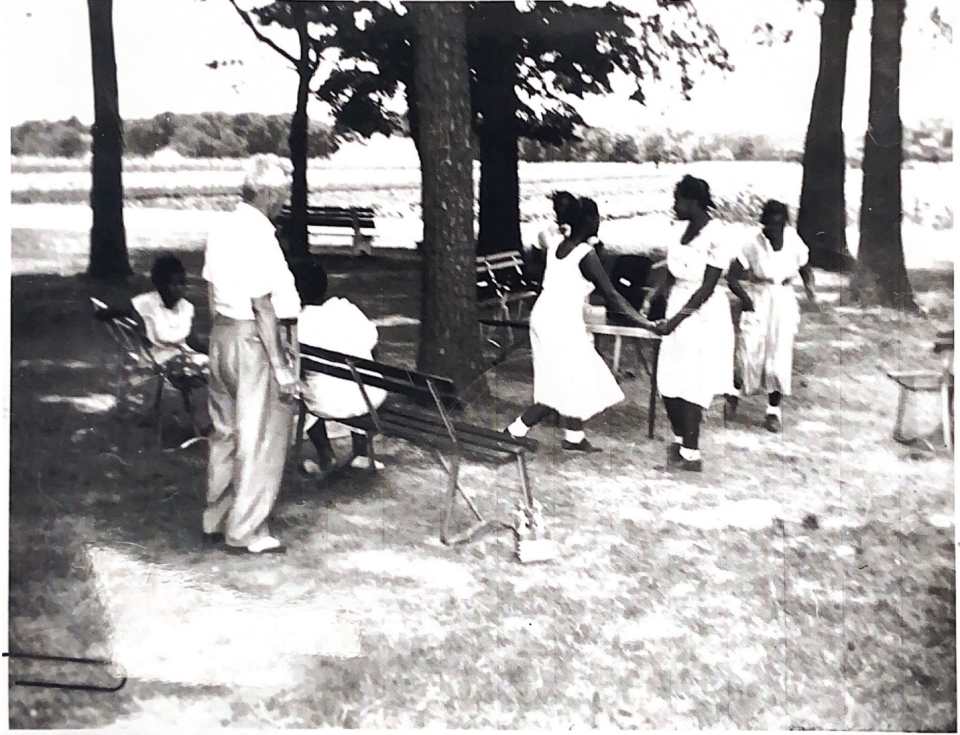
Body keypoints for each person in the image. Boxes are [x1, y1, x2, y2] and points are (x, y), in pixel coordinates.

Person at [201, 160, 302, 554]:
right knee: (260, 436)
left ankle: (215, 517)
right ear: (268, 193)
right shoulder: (260, 235)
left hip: (223, 333)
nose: (283, 202)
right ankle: (246, 530)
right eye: (282, 194)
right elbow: (262, 304)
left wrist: (219, 336)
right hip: (254, 339)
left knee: (224, 431)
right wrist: (280, 366)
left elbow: (210, 289)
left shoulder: (221, 226)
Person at [505, 197, 651, 451]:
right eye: (596, 217)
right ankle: (515, 430)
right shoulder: (585, 253)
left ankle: (574, 436)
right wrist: (644, 322)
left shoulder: (557, 245)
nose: (599, 222)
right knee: (562, 380)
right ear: (587, 221)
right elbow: (612, 294)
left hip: (546, 316)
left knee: (572, 373)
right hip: (559, 322)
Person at [650, 175, 737, 472]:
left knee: (692, 383)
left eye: (679, 200)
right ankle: (680, 440)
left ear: (693, 201)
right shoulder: (678, 230)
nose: (675, 205)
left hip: (703, 315)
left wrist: (675, 321)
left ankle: (691, 453)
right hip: (677, 305)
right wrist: (659, 294)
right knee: (667, 380)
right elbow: (672, 271)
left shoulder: (718, 235)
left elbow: (707, 288)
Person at [725, 200, 816, 432]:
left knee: (779, 356)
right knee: (749, 352)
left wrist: (810, 290)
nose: (774, 230)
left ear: (784, 223)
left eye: (778, 225)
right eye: (770, 225)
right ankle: (733, 394)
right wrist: (746, 299)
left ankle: (773, 412)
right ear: (763, 223)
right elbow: (732, 276)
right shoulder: (752, 243)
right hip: (759, 298)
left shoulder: (793, 240)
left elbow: (805, 267)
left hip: (783, 299)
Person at [294, 258, 386, 473]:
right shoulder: (346, 308)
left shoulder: (298, 323)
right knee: (353, 379)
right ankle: (362, 452)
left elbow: (296, 369)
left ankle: (327, 456)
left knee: (301, 390)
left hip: (327, 403)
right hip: (370, 398)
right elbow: (374, 346)